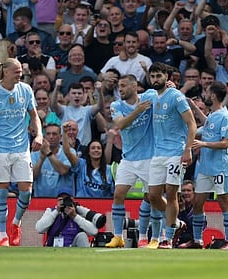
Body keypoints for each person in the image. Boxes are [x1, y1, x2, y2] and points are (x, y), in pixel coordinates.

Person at [0, 58, 43, 247]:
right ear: (5, 72)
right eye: (16, 71)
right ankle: (2, 235)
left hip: (21, 147)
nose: (20, 74)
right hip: (0, 149)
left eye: (20, 72)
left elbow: (34, 116)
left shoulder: (25, 90)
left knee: (26, 191)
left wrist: (38, 135)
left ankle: (16, 223)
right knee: (2, 189)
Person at [147, 62, 197, 249]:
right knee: (152, 196)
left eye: (159, 76)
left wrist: (187, 149)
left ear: (167, 77)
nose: (155, 79)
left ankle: (167, 237)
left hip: (176, 151)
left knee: (171, 192)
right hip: (158, 152)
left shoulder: (176, 97)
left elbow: (191, 124)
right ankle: (176, 223)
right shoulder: (152, 96)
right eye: (152, 76)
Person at [180, 81, 228, 249]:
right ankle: (197, 240)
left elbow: (225, 143)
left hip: (220, 167)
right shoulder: (213, 114)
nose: (205, 95)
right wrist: (193, 107)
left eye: (207, 92)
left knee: (223, 201)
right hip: (205, 167)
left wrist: (204, 145)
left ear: (213, 95)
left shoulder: (226, 117)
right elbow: (207, 125)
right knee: (197, 202)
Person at [105, 75, 155, 248]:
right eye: (119, 86)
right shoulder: (116, 105)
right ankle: (118, 236)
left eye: (124, 86)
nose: (120, 89)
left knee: (150, 197)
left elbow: (165, 95)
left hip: (149, 157)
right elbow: (121, 124)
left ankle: (143, 236)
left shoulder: (149, 98)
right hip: (128, 158)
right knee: (118, 194)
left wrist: (170, 87)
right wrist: (138, 111)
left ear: (135, 87)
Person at [62, 122, 114, 198]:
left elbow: (112, 193)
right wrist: (65, 133)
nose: (96, 150)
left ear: (102, 152)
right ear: (88, 152)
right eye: (93, 148)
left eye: (99, 148)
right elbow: (67, 152)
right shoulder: (81, 165)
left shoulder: (109, 170)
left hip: (102, 206)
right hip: (82, 205)